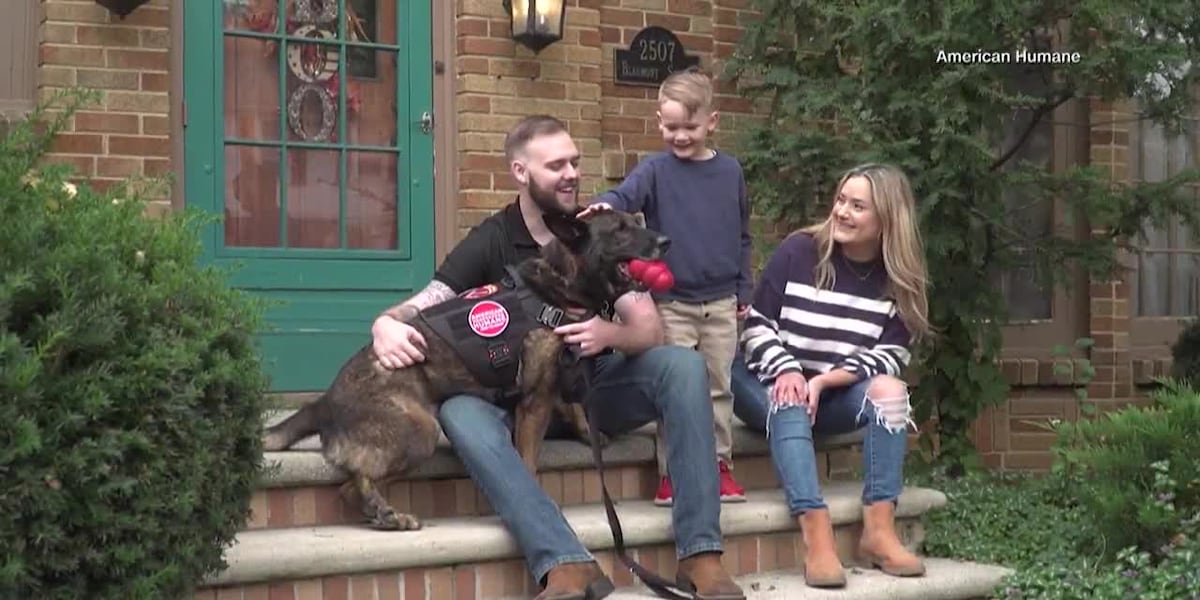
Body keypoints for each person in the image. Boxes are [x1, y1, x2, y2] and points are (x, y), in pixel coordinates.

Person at [370, 115, 745, 600]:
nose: (571, 174)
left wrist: (606, 330)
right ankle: (565, 563)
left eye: (574, 162)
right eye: (556, 165)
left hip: (590, 391)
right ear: (521, 173)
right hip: (513, 401)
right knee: (459, 411)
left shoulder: (597, 230)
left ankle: (701, 555)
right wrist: (385, 323)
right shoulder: (492, 238)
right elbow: (430, 299)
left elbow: (649, 329)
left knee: (684, 366)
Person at [731, 163, 931, 589]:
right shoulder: (799, 251)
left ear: (886, 221)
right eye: (841, 200)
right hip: (763, 379)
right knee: (788, 397)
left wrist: (825, 381)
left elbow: (891, 355)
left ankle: (879, 529)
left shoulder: (899, 281)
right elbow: (757, 325)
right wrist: (787, 368)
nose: (841, 212)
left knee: (891, 391)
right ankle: (815, 532)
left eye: (858, 206)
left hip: (831, 392)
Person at [580, 68, 753, 507]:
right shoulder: (654, 170)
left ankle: (719, 467)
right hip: (672, 303)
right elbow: (626, 195)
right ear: (659, 121)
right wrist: (608, 203)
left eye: (688, 127)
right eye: (669, 126)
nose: (678, 135)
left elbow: (743, 235)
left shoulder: (730, 172)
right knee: (678, 389)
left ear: (712, 122)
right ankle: (672, 474)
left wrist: (744, 290)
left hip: (721, 302)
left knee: (718, 388)